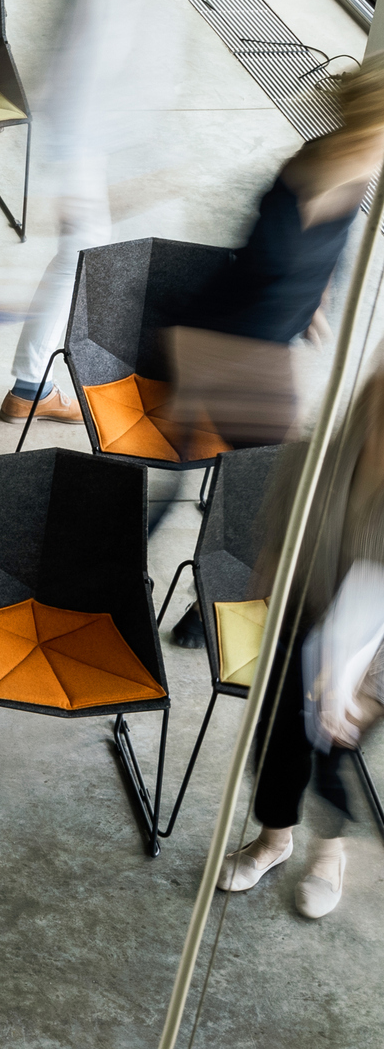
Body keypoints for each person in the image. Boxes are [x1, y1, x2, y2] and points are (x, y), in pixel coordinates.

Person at [167, 63, 384, 645]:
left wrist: (316, 300)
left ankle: (216, 593)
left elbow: (317, 250)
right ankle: (215, 603)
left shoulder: (350, 163)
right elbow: (271, 260)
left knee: (263, 486)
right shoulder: (335, 164)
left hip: (257, 342)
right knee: (276, 496)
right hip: (227, 346)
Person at [1, 0, 205, 424]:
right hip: (79, 135)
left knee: (87, 257)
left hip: (96, 137)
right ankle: (30, 388)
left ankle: (32, 386)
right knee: (81, 259)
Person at [218, 366, 384, 919]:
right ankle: (274, 839)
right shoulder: (316, 456)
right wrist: (262, 607)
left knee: (333, 751)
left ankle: (328, 853)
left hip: (371, 650)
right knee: (277, 739)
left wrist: (357, 685)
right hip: (299, 616)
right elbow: (276, 542)